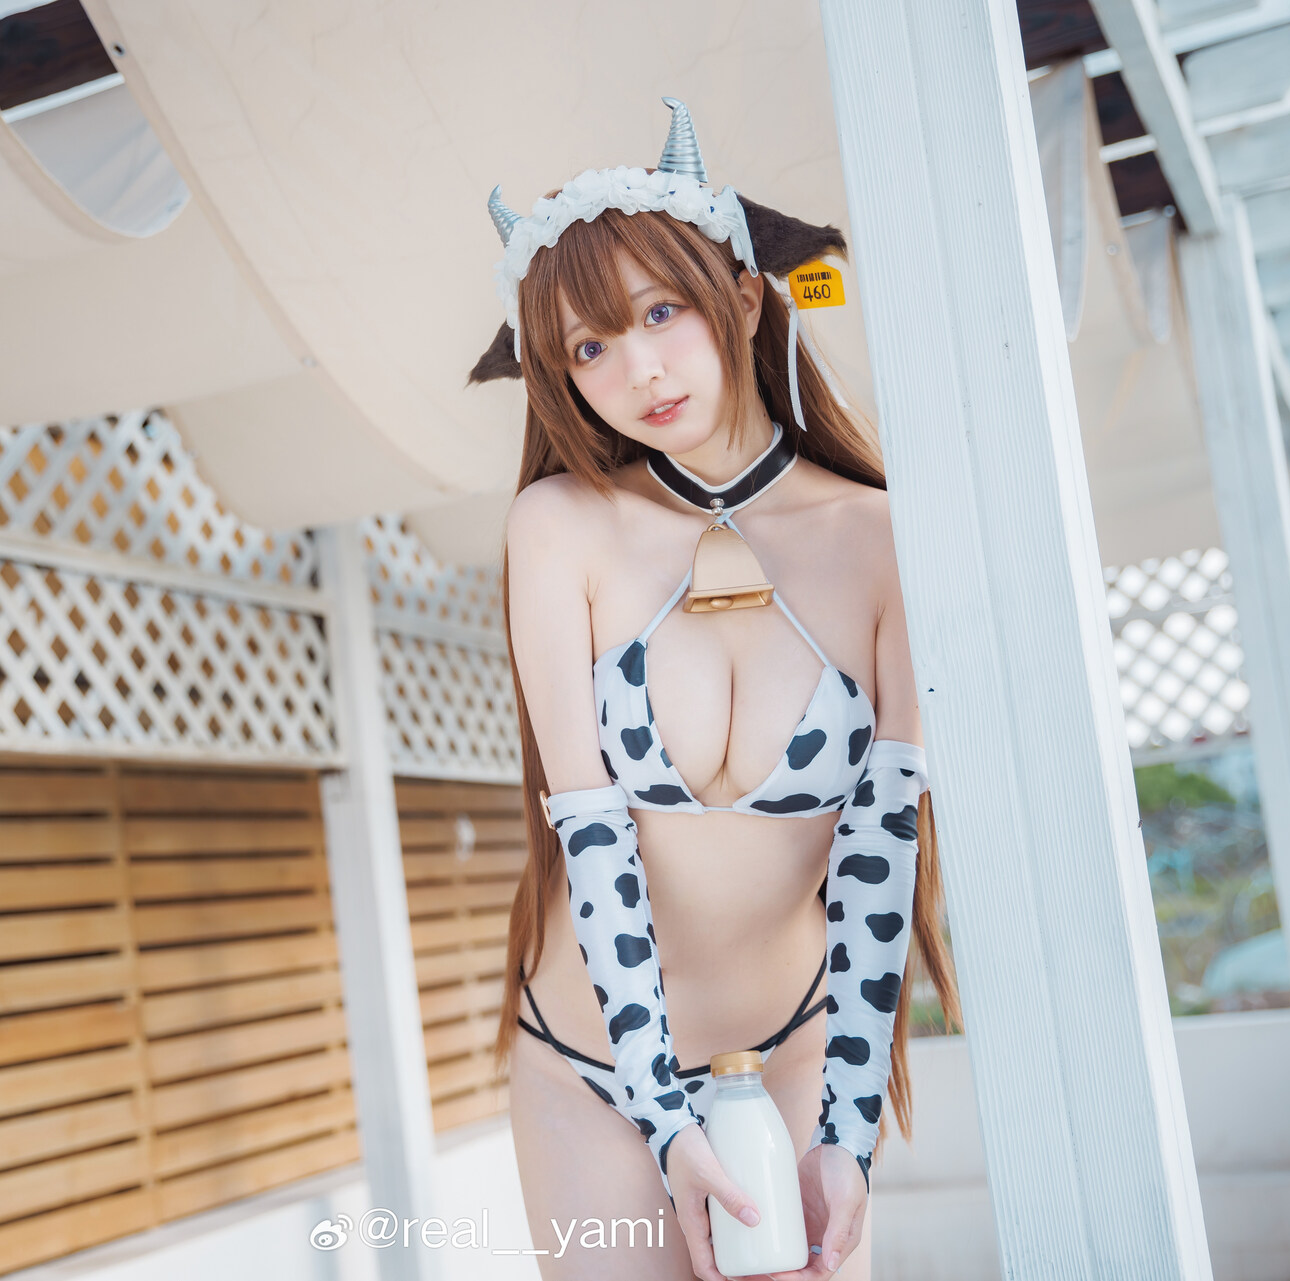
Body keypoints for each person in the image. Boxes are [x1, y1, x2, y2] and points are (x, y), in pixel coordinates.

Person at [469, 100, 960, 1280]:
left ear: (741, 298)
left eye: (659, 313)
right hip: (589, 1067)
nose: (636, 369)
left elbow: (880, 851)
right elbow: (593, 835)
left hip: (794, 1052)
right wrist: (664, 1119)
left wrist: (847, 1137)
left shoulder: (884, 538)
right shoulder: (561, 528)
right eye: (588, 348)